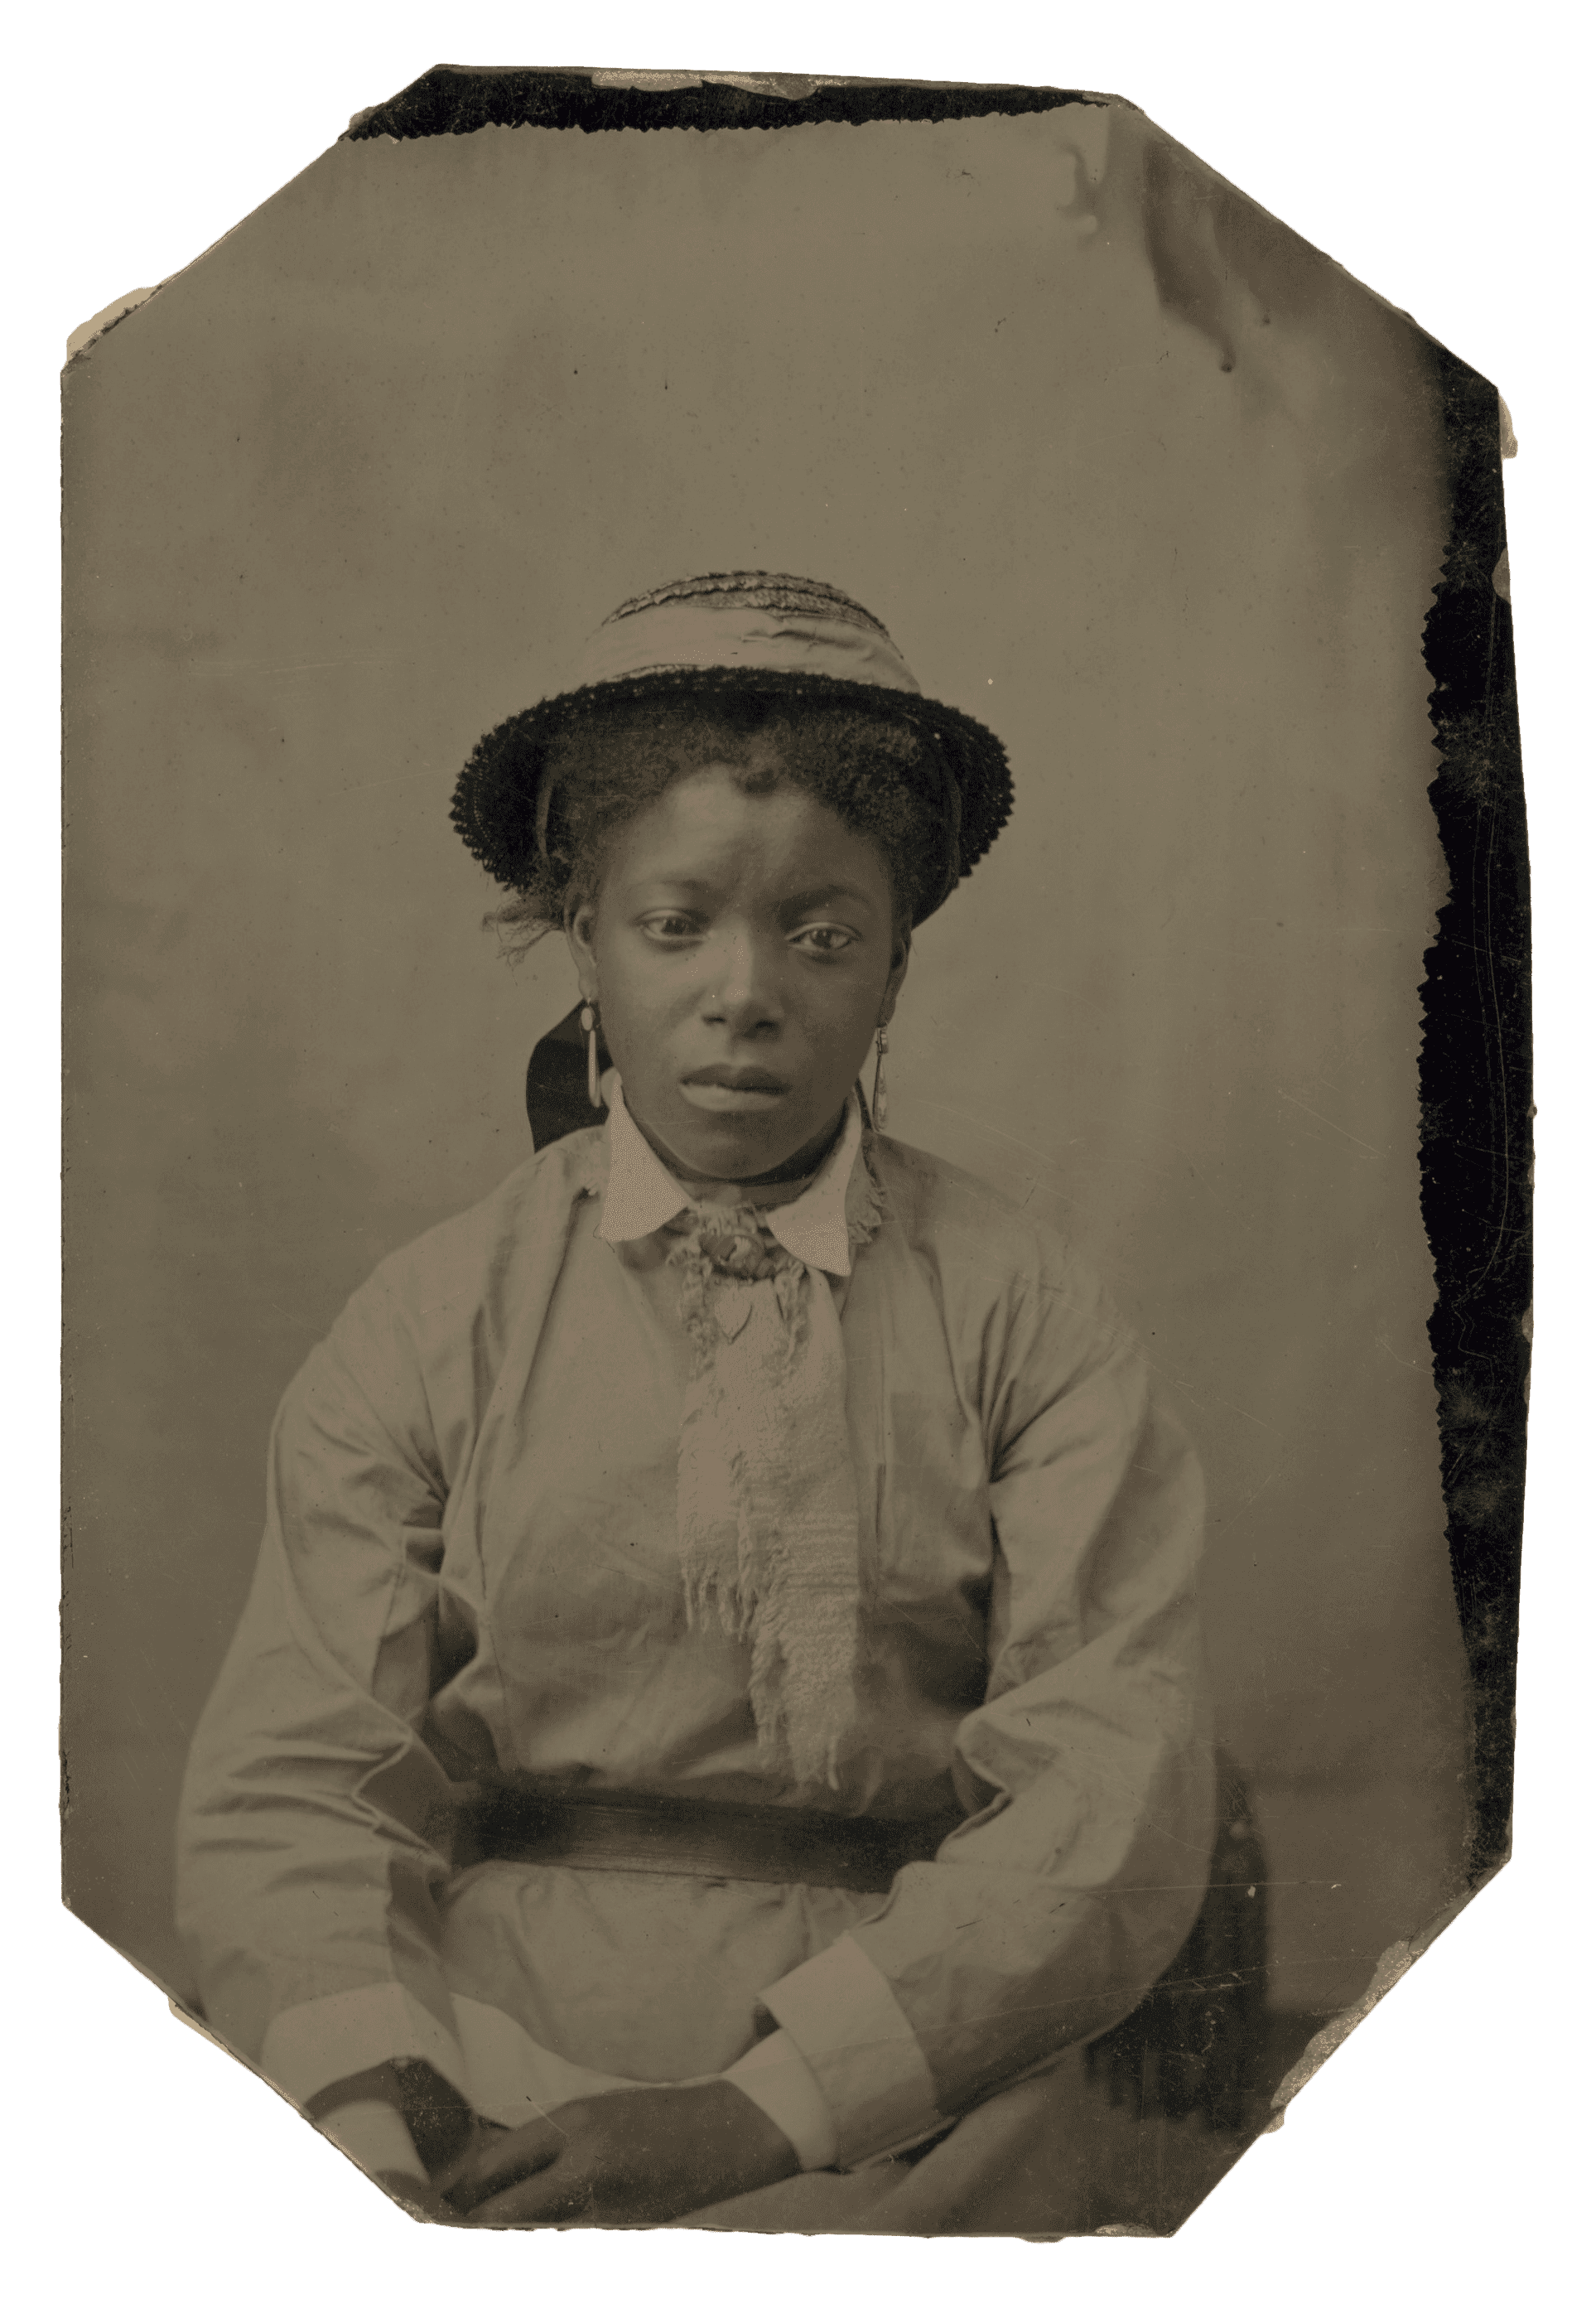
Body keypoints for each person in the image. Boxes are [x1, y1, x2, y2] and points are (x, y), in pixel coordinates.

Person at [176, 571, 1214, 2234]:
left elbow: (1112, 1790)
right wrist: (389, 2133)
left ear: (893, 963)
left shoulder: (1029, 1316)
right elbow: (296, 1777)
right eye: (678, 925)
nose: (748, 992)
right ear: (586, 932)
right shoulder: (438, 1315)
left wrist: (763, 2111)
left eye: (823, 932)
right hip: (487, 2063)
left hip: (911, 2103)